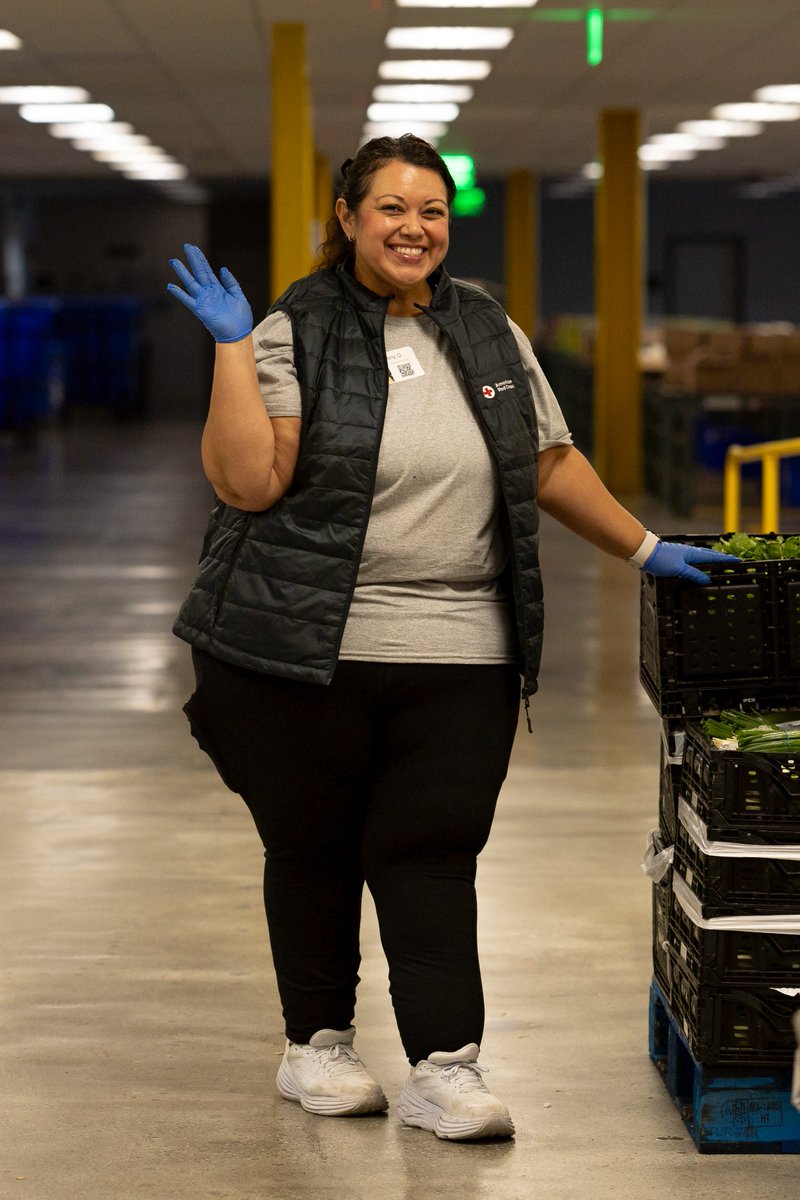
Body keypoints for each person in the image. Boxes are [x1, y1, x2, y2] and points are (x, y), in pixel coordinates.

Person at [166, 134, 734, 1143]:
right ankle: (316, 1047)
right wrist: (229, 346)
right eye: (389, 208)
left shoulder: (483, 327)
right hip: (306, 649)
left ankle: (443, 1067)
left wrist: (644, 548)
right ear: (346, 219)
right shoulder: (294, 328)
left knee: (430, 853)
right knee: (315, 851)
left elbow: (545, 462)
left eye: (430, 210)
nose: (412, 228)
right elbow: (248, 481)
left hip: (461, 649)